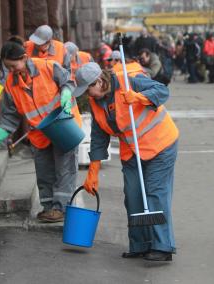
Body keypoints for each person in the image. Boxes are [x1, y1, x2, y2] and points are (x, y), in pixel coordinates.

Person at [73, 62, 179, 261]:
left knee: (155, 194)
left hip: (160, 145)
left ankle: (162, 247)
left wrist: (139, 97)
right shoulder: (97, 103)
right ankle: (140, 245)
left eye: (88, 89)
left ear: (99, 81)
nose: (89, 95)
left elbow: (162, 91)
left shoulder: (129, 82)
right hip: (132, 151)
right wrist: (93, 171)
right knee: (133, 196)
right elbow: (98, 137)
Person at [0, 40, 82, 223]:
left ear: (24, 58)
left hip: (63, 125)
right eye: (7, 67)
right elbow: (10, 115)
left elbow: (69, 81)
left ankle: (60, 209)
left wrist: (65, 92)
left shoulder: (48, 66)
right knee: (44, 172)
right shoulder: (10, 85)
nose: (12, 71)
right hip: (40, 133)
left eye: (13, 66)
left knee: (64, 170)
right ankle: (48, 208)